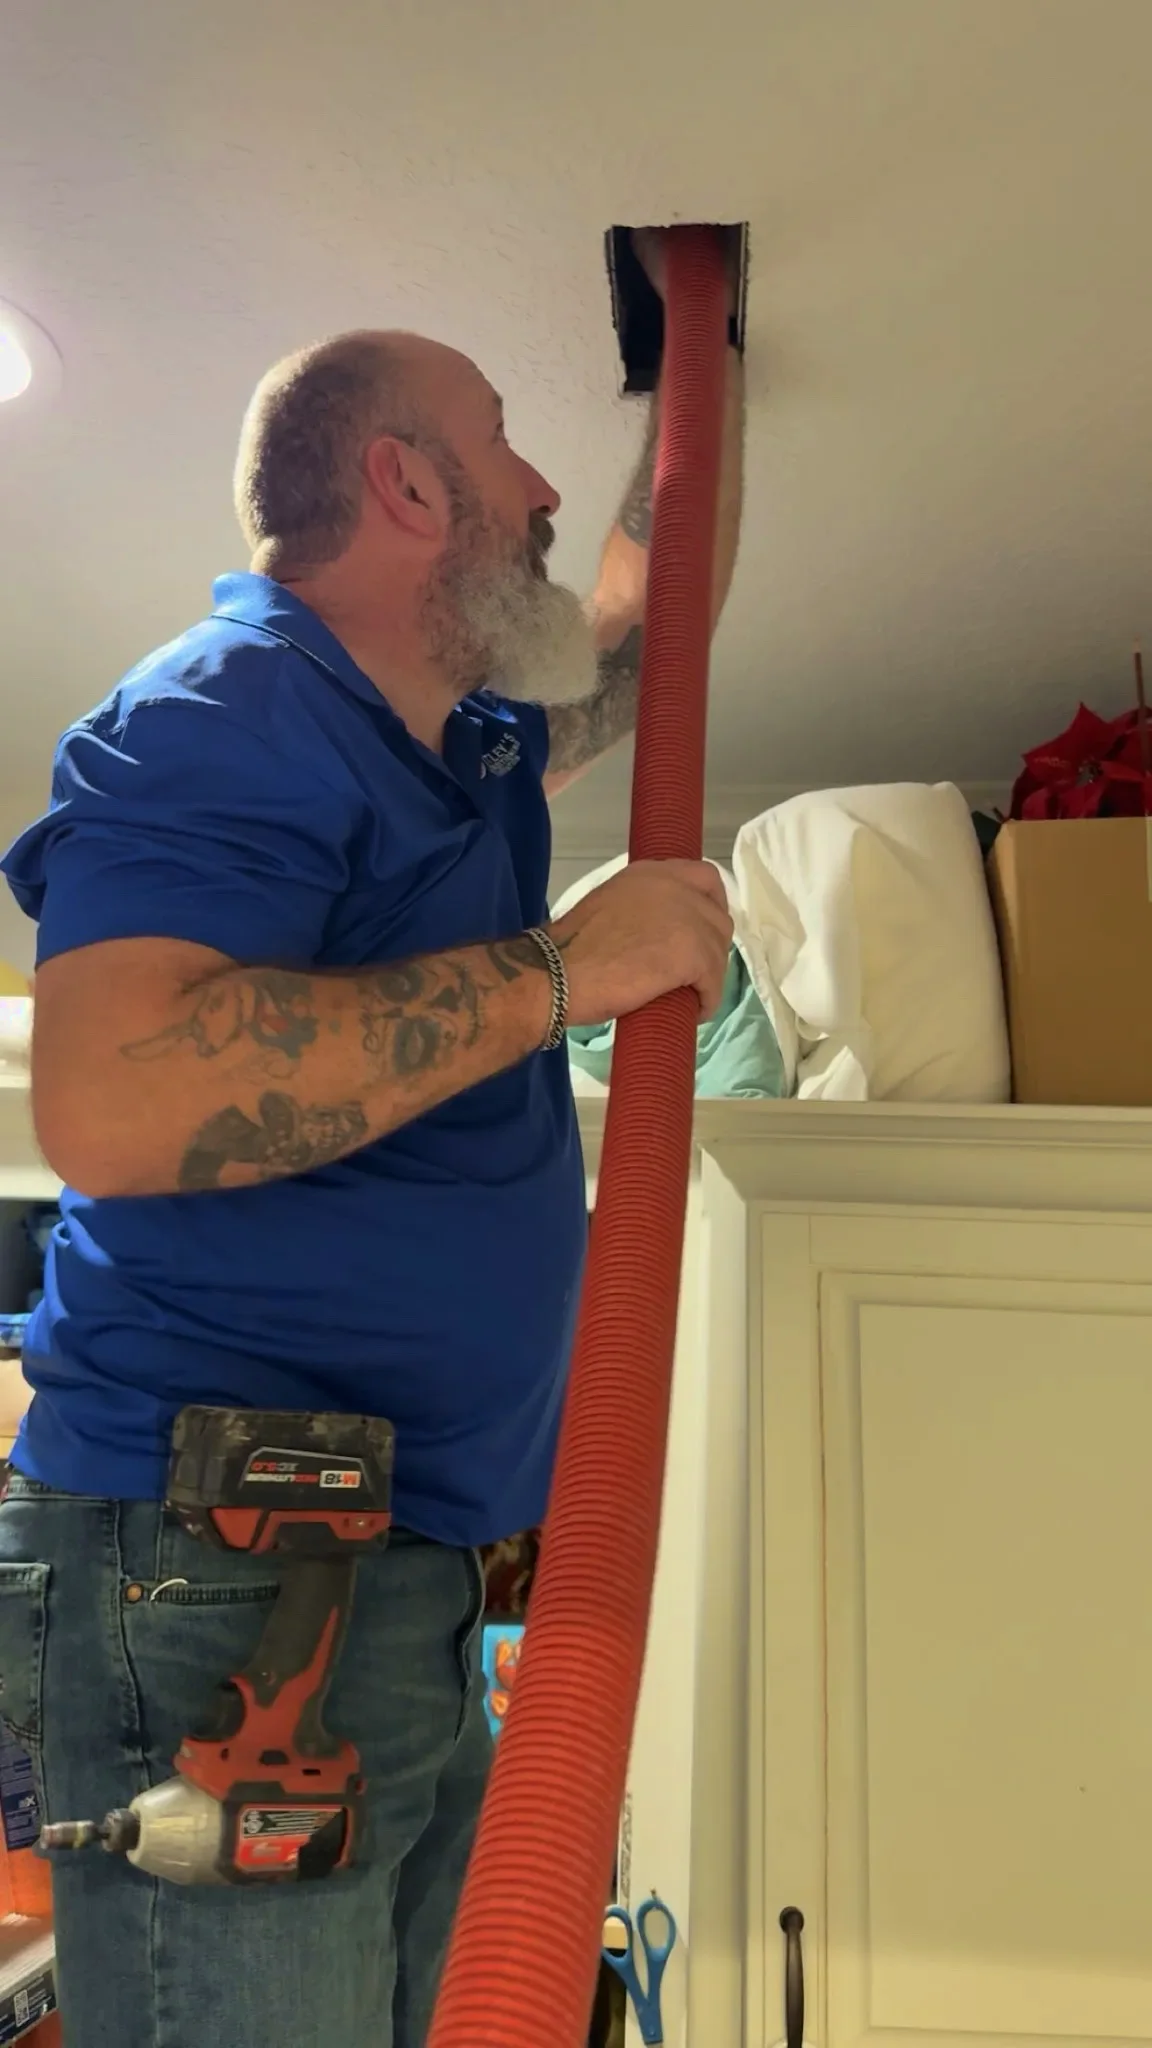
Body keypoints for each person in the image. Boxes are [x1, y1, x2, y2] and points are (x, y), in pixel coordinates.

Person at [0, 233, 745, 2047]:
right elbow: (113, 1096)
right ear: (407, 484)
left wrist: (700, 365)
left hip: (368, 1566)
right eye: (505, 439)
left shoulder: (456, 752)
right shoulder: (224, 710)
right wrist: (565, 968)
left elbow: (638, 630)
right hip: (216, 1564)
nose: (546, 486)